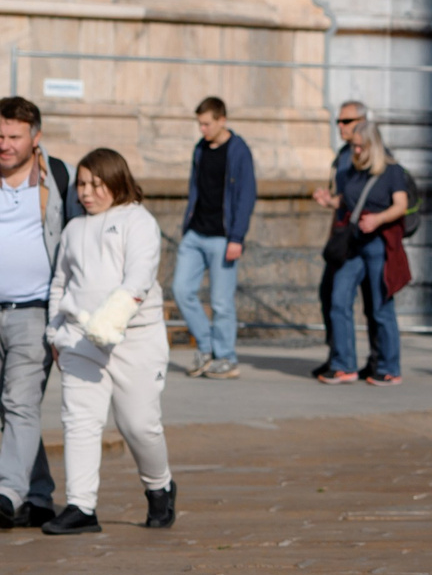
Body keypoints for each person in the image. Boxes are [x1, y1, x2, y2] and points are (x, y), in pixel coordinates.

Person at [42, 150, 173, 535]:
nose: (86, 193)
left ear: (117, 182)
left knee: (139, 425)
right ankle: (81, 506)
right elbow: (60, 284)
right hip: (81, 341)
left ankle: (159, 485)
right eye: (81, 184)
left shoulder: (138, 221)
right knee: (79, 421)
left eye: (96, 185)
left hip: (136, 338)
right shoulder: (73, 230)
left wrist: (108, 322)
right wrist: (55, 332)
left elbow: (139, 278)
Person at [0, 99, 79, 528]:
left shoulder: (58, 180)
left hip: (33, 313)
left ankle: (7, 492)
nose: (5, 145)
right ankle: (39, 494)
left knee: (20, 401)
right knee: (8, 408)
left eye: (14, 136)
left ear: (35, 137)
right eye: (0, 136)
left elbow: (81, 245)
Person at [315, 117, 410, 386]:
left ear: (374, 145)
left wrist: (378, 219)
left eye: (361, 147)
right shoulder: (352, 172)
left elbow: (400, 205)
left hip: (379, 244)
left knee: (380, 307)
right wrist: (328, 202)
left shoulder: (392, 172)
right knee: (338, 300)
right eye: (354, 147)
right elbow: (346, 201)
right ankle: (344, 364)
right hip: (353, 244)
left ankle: (390, 367)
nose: (356, 151)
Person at [175, 97, 254, 379]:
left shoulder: (238, 151)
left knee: (221, 302)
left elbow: (246, 195)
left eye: (207, 123)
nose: (203, 129)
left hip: (223, 237)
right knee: (181, 290)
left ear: (222, 120)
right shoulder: (201, 149)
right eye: (200, 124)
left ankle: (226, 358)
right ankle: (207, 348)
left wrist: (237, 237)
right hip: (195, 233)